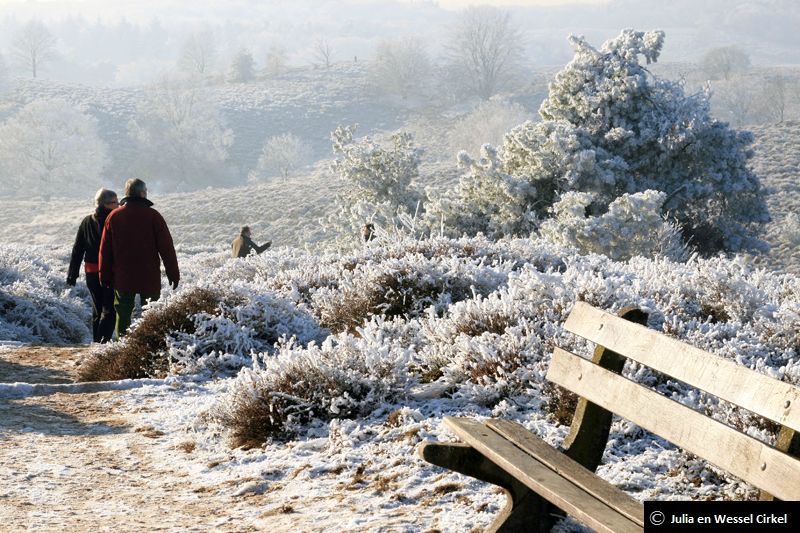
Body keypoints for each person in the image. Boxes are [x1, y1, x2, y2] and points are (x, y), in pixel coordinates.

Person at [99, 178, 180, 337]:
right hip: (148, 275)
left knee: (122, 313)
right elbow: (167, 249)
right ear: (142, 193)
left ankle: (121, 349)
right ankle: (148, 346)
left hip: (123, 275)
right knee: (150, 313)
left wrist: (104, 275)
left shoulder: (114, 216)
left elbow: (105, 250)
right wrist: (173, 274)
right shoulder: (153, 216)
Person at [66, 188, 119, 343]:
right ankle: (101, 344)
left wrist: (72, 274)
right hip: (109, 272)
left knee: (97, 310)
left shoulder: (87, 220)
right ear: (105, 204)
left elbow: (77, 249)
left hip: (91, 272)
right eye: (114, 202)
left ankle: (97, 342)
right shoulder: (114, 220)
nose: (118, 204)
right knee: (110, 310)